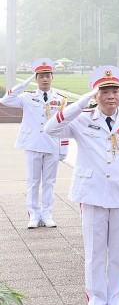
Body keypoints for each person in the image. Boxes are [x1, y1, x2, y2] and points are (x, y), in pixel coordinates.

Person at [44, 66, 119, 305]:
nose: (111, 96)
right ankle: (95, 301)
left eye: (115, 91)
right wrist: (80, 103)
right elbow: (50, 129)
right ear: (95, 94)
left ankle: (115, 301)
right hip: (92, 194)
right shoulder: (81, 119)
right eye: (104, 91)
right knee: (94, 252)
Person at [1, 58, 68, 228]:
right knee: (33, 181)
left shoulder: (60, 98)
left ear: (52, 77)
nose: (44, 79)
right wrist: (24, 83)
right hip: (33, 143)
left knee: (49, 181)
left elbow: (65, 123)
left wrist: (63, 149)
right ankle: (33, 214)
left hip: (52, 143)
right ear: (36, 78)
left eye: (47, 76)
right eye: (40, 76)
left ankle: (47, 214)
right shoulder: (27, 96)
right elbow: (5, 100)